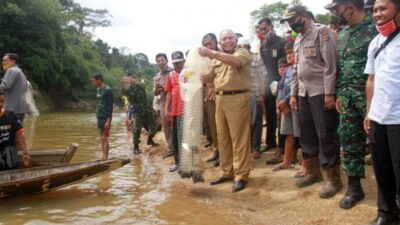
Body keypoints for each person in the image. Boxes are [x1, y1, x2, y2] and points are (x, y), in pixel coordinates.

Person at [281, 5, 342, 199]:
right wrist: (292, 94)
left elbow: (330, 65)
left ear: (304, 16)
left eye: (293, 19)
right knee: (306, 133)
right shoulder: (298, 39)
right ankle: (313, 172)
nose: (291, 24)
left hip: (320, 91)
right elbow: (297, 69)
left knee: (326, 134)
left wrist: (329, 92)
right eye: (289, 22)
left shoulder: (322, 32)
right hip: (303, 93)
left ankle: (333, 179)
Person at [325, 0, 377, 209]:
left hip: (371, 98)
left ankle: (390, 191)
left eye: (337, 9)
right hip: (347, 99)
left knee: (381, 145)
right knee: (349, 143)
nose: (335, 13)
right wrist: (339, 92)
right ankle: (354, 187)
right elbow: (341, 66)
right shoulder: (343, 34)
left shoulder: (374, 30)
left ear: (350, 7)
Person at [199, 29, 252, 193]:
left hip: (238, 98)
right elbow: (209, 78)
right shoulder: (217, 58)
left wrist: (212, 53)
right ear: (221, 42)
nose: (228, 41)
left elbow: (235, 62)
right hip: (220, 98)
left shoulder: (242, 52)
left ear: (235, 39)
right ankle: (227, 172)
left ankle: (241, 175)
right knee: (222, 138)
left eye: (230, 38)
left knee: (239, 139)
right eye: (224, 39)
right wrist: (193, 72)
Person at [364, 0, 400, 224]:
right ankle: (386, 214)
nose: (377, 14)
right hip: (378, 118)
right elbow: (371, 80)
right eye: (375, 10)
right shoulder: (375, 42)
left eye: (383, 8)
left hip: (398, 120)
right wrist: (369, 112)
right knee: (382, 169)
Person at [272, 42, 302, 174]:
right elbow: (281, 87)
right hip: (285, 108)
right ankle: (287, 161)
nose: (289, 55)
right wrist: (280, 104)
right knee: (289, 134)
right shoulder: (288, 70)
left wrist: (284, 101)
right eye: (288, 53)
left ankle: (306, 162)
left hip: (296, 105)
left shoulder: (301, 67)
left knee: (301, 134)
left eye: (292, 52)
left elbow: (299, 86)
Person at [258, 17, 286, 152]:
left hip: (280, 82)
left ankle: (283, 144)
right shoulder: (262, 44)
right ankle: (270, 142)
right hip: (268, 83)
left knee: (281, 112)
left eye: (265, 28)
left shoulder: (281, 42)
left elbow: (285, 62)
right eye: (261, 29)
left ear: (271, 26)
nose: (263, 31)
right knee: (269, 113)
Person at [237, 37, 266, 160]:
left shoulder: (256, 58)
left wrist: (261, 94)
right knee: (243, 124)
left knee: (257, 123)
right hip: (240, 97)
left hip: (255, 95)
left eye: (245, 47)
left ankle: (255, 148)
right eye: (240, 47)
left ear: (249, 47)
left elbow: (264, 77)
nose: (243, 50)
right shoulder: (235, 58)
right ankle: (246, 149)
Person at [121, 74, 159, 154]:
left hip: (147, 110)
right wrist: (124, 83)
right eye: (131, 78)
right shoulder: (128, 89)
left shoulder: (141, 86)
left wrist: (152, 109)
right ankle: (136, 147)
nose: (133, 79)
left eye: (134, 78)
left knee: (155, 126)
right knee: (137, 130)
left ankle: (150, 139)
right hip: (137, 111)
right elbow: (123, 92)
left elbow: (144, 88)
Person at [165, 51, 185, 173]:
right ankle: (177, 162)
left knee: (187, 136)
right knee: (176, 137)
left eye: (179, 62)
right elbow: (169, 92)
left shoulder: (189, 73)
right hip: (175, 111)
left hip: (187, 110)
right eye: (175, 63)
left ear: (184, 61)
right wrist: (167, 108)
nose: (177, 65)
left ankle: (189, 162)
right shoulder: (170, 75)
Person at [202, 33, 220, 167]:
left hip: (221, 93)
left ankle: (224, 153)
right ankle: (216, 149)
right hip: (208, 94)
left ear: (216, 42)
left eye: (210, 44)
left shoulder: (222, 55)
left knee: (222, 126)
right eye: (205, 45)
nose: (208, 47)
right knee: (212, 124)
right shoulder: (203, 59)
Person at [0, 90, 30, 170]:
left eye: (2, 101)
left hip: (10, 161)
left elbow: (20, 135)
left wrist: (25, 152)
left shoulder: (11, 115)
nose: (0, 104)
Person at [153, 53, 173, 158]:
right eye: (159, 61)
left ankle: (179, 147)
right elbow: (155, 93)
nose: (161, 62)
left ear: (167, 61)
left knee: (176, 125)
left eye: (162, 60)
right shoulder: (157, 76)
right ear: (157, 63)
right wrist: (157, 89)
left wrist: (164, 88)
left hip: (174, 102)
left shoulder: (173, 72)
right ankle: (171, 148)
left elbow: (175, 87)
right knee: (166, 126)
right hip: (163, 102)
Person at [0, 53, 30, 122]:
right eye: (2, 61)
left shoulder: (12, 70)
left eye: (5, 61)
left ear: (13, 61)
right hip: (20, 107)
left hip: (12, 108)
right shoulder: (19, 71)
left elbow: (5, 86)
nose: (3, 63)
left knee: (9, 130)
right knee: (18, 130)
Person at [91, 74, 113, 160]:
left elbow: (110, 106)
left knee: (105, 137)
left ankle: (105, 157)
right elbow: (98, 104)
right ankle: (103, 156)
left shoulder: (108, 90)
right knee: (101, 137)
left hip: (105, 117)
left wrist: (109, 120)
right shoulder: (98, 90)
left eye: (93, 81)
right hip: (99, 116)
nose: (92, 83)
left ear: (99, 79)